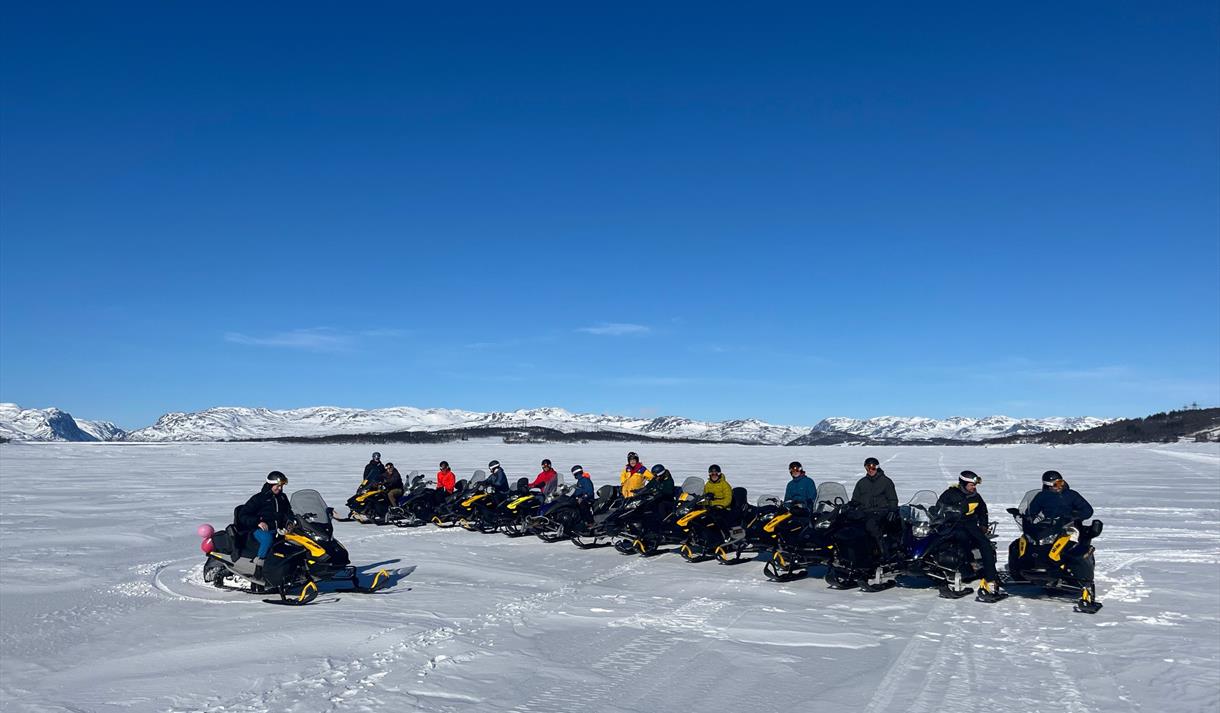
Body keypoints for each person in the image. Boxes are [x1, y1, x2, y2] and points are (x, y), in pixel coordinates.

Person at [936, 470, 1003, 599]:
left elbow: (983, 510)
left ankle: (991, 578)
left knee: (985, 544)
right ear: (963, 484)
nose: (974, 488)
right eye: (972, 485)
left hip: (970, 524)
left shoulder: (975, 496)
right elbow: (938, 508)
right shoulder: (950, 494)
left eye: (974, 485)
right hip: (952, 525)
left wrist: (983, 524)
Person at [236, 471, 294, 579]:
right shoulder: (259, 498)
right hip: (258, 530)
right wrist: (258, 522)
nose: (280, 489)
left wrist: (290, 522)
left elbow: (288, 512)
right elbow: (243, 515)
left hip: (278, 530)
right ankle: (259, 566)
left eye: (281, 486)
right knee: (267, 539)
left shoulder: (282, 498)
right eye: (277, 486)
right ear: (270, 484)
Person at [851, 457, 899, 560]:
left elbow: (893, 499)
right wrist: (850, 506)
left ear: (877, 467)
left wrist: (892, 511)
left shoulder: (886, 482)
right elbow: (855, 499)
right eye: (868, 467)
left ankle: (883, 552)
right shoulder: (861, 483)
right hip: (865, 511)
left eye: (873, 467)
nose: (870, 470)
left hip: (881, 511)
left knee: (871, 525)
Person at [1027, 470, 1094, 528]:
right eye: (1057, 484)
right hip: (1049, 525)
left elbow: (1087, 510)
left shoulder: (1071, 494)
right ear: (1049, 485)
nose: (1060, 486)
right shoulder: (1041, 496)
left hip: (1070, 525)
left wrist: (1075, 516)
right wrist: (1028, 518)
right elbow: (1031, 511)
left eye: (1061, 482)